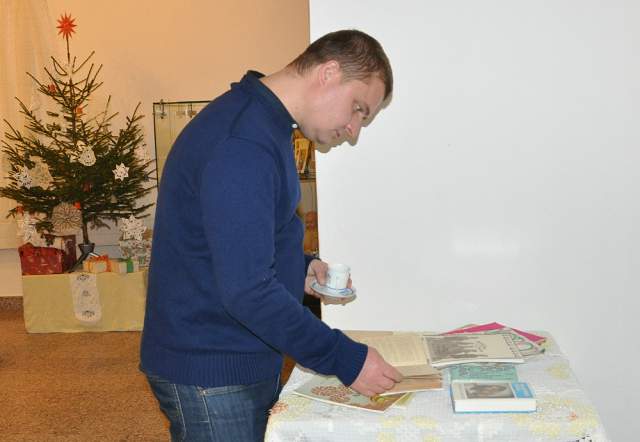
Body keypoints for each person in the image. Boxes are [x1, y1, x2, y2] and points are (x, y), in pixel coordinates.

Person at [140, 29, 401, 441]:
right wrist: (346, 359)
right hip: (211, 368)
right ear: (329, 73)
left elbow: (237, 241)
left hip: (231, 352)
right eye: (357, 109)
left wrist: (301, 267)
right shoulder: (244, 142)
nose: (353, 130)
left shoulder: (264, 125)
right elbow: (248, 291)